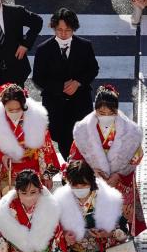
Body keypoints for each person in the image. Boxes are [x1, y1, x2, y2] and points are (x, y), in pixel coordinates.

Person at [0, 84, 62, 243]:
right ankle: (9, 243)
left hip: (32, 172)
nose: (14, 113)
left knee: (33, 208)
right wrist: (1, 157)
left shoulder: (35, 120)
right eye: (10, 110)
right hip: (7, 174)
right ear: (3, 107)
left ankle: (33, 241)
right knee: (9, 210)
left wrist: (47, 175)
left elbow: (45, 148)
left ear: (24, 106)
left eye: (18, 109)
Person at [69, 85, 146, 235]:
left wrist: (119, 175)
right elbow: (75, 158)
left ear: (117, 111)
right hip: (93, 182)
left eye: (111, 113)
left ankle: (121, 243)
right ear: (95, 110)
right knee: (95, 222)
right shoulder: (83, 131)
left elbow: (137, 156)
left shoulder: (131, 131)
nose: (106, 116)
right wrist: (91, 172)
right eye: (101, 113)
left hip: (120, 182)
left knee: (120, 225)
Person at [32, 8, 100, 158]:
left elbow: (93, 69)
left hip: (80, 103)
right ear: (54, 28)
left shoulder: (84, 46)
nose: (63, 34)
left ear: (74, 29)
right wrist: (59, 87)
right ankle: (70, 167)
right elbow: (38, 78)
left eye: (67, 30)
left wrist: (78, 82)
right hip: (56, 106)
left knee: (84, 141)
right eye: (59, 30)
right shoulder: (43, 49)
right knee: (63, 142)